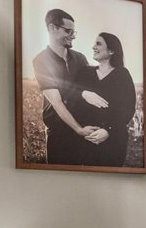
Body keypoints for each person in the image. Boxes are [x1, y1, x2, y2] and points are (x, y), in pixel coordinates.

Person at [31, 8, 106, 164]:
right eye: (68, 31)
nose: (73, 36)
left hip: (85, 132)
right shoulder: (41, 61)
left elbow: (93, 87)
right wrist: (78, 129)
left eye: (74, 32)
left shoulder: (80, 58)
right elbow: (57, 102)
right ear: (52, 28)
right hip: (59, 135)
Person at [83, 32, 137, 167]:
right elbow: (70, 93)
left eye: (98, 44)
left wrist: (109, 131)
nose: (93, 47)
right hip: (86, 139)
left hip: (113, 141)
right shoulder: (85, 72)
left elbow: (128, 109)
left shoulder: (123, 75)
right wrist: (82, 93)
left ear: (111, 51)